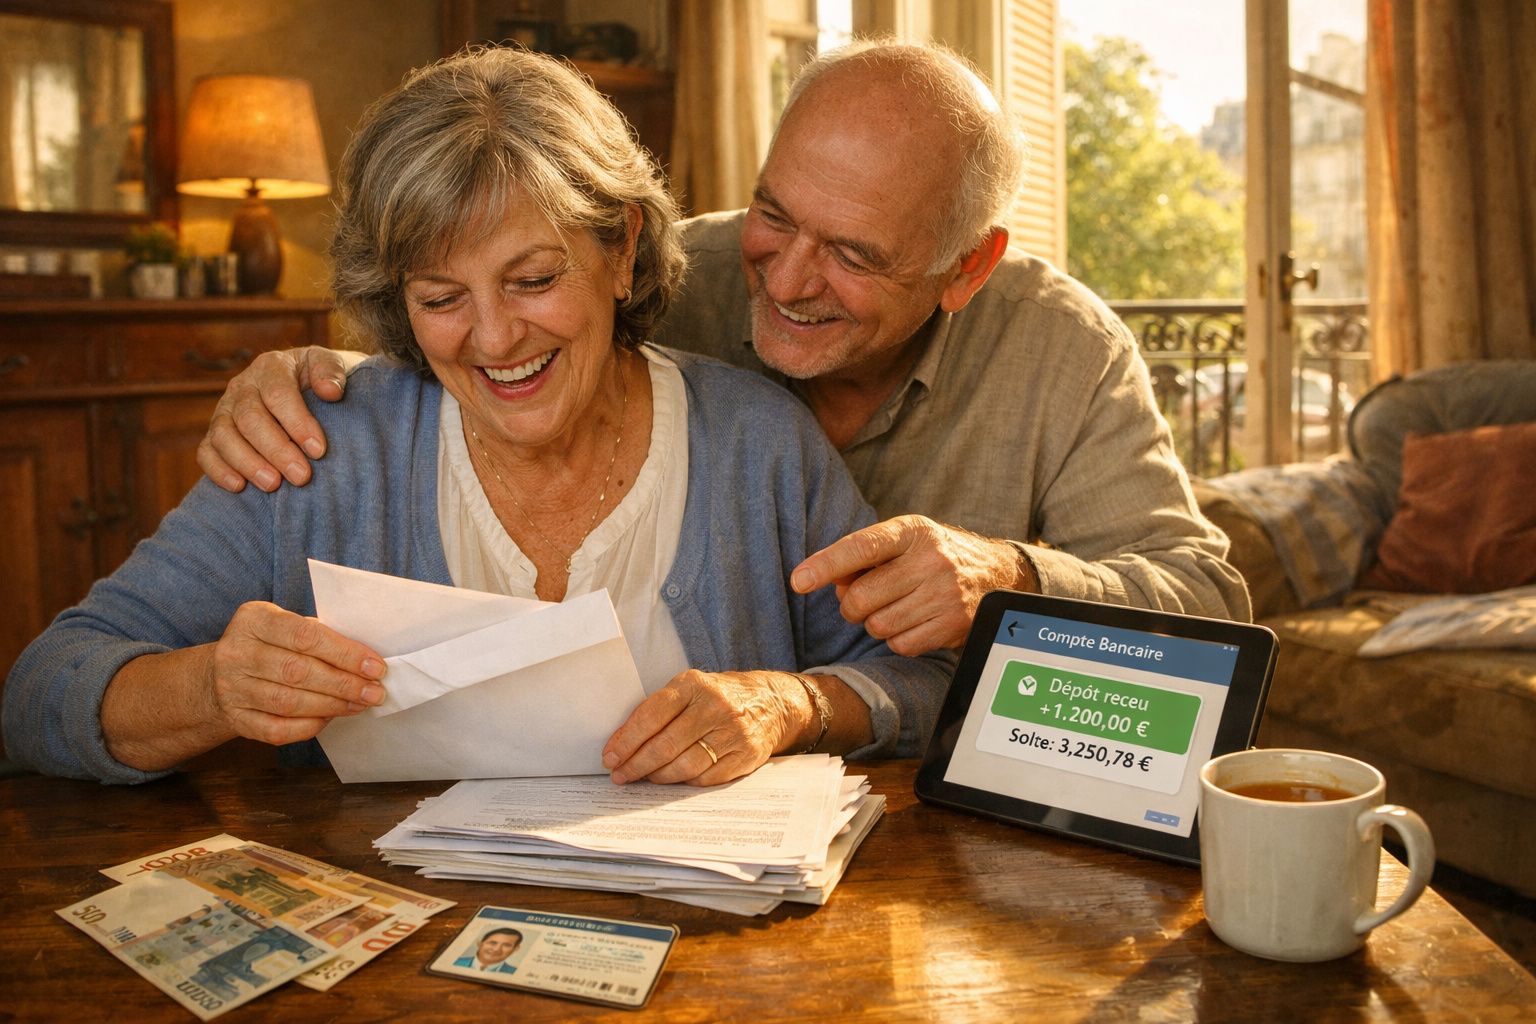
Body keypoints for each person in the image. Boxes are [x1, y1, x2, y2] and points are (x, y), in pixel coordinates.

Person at [1, 47, 953, 786]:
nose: (493, 339)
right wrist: (212, 686)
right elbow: (41, 693)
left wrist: (794, 701)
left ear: (621, 250)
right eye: (441, 296)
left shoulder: (756, 441)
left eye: (533, 280)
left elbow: (922, 685)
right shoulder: (323, 447)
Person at [196, 41, 1251, 654]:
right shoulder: (668, 273)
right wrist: (303, 372)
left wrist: (1007, 575)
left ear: (966, 268)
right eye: (773, 214)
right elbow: (479, 325)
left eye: (851, 253)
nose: (786, 279)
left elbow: (1209, 603)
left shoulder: (1062, 351)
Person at [454, 928, 523, 974]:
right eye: (493, 943)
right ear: (480, 943)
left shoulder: (515, 972)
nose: (496, 949)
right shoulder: (455, 961)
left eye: (506, 945)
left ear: (516, 948)